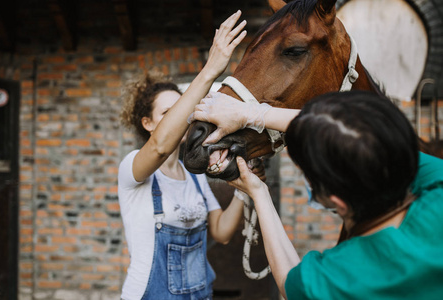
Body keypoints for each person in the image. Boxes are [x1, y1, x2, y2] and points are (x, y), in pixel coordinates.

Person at [190, 90, 443, 299]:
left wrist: (259, 194)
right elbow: (362, 137)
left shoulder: (338, 277)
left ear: (337, 204)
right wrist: (251, 114)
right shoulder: (437, 196)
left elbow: (289, 282)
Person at [117, 11, 265, 300]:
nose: (181, 118)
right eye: (167, 113)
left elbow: (221, 233)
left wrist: (244, 190)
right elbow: (160, 147)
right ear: (147, 124)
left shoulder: (194, 177)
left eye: (183, 110)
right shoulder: (132, 168)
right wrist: (210, 69)